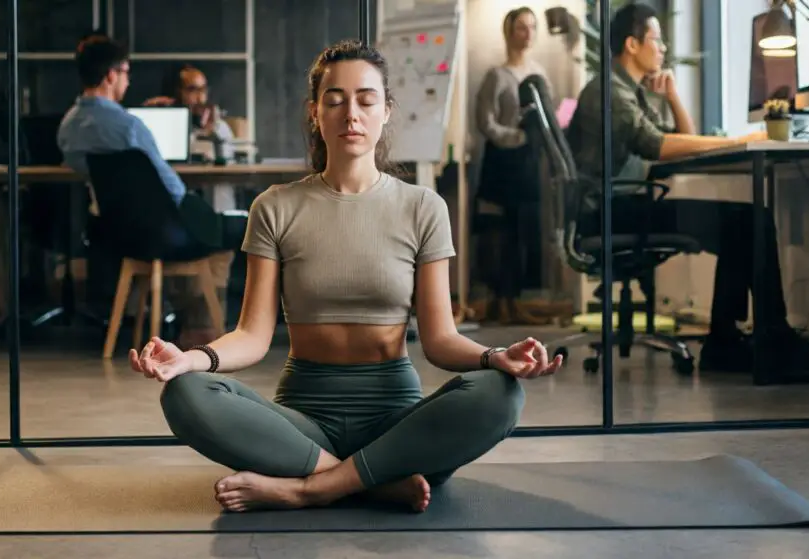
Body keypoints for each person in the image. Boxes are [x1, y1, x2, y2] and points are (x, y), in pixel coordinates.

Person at [128, 39, 564, 513]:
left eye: (365, 99)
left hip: (398, 424)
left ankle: (310, 487)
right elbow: (253, 336)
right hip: (302, 423)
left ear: (386, 110)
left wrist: (497, 357)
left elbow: (440, 341)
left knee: (499, 394)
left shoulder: (423, 208)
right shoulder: (274, 207)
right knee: (185, 393)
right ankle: (373, 480)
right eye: (334, 100)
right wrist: (190, 359)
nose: (350, 113)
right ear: (315, 112)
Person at [566, 2, 809, 372]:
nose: (662, 49)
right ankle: (765, 342)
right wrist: (735, 142)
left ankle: (728, 341)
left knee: (743, 220)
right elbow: (657, 146)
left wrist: (674, 96)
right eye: (656, 40)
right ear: (632, 44)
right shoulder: (608, 92)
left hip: (621, 207)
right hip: (611, 213)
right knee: (747, 220)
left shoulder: (627, 91)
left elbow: (679, 142)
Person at [56, 35, 228, 347]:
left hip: (118, 234)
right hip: (165, 232)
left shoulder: (68, 128)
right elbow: (171, 189)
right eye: (125, 72)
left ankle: (168, 320)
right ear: (111, 75)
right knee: (227, 232)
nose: (128, 80)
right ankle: (204, 329)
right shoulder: (128, 126)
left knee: (180, 231)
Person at [473, 6, 561, 325]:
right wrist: (517, 137)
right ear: (509, 32)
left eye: (532, 27)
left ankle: (517, 300)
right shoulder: (496, 75)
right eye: (522, 27)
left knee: (524, 231)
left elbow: (549, 115)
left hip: (529, 163)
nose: (528, 34)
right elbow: (485, 122)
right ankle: (500, 301)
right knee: (500, 233)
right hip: (502, 162)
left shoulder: (539, 73)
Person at [144, 64, 236, 161]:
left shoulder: (219, 126)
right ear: (178, 92)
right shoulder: (167, 124)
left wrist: (214, 130)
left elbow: (228, 161)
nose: (200, 98)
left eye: (203, 90)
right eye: (192, 90)